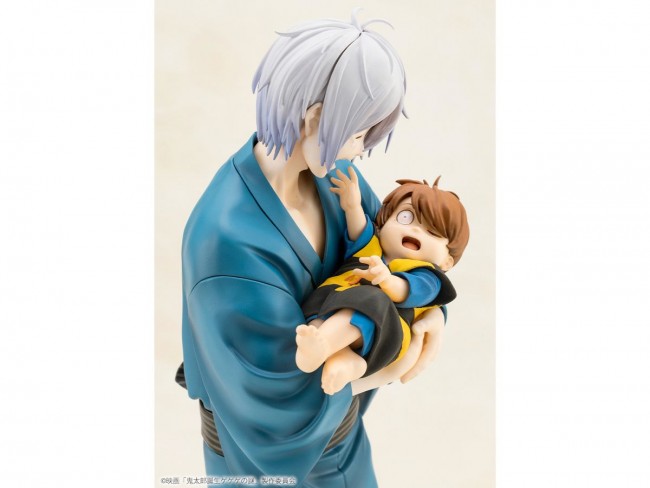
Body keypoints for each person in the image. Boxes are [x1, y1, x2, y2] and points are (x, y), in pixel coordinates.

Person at [176, 12, 446, 488]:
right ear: (316, 118)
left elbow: (398, 258)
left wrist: (431, 312)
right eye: (359, 134)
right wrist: (387, 367)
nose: (359, 151)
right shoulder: (226, 239)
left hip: (343, 443)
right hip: (258, 463)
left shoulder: (335, 178)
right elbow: (272, 393)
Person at [296, 171, 469, 395]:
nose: (415, 229)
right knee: (320, 323)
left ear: (447, 261)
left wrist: (387, 281)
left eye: (432, 231)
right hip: (329, 303)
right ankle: (344, 363)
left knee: (370, 301)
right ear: (383, 225)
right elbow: (359, 229)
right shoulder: (373, 247)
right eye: (405, 217)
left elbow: (406, 291)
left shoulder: (429, 277)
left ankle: (323, 345)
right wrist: (352, 206)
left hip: (385, 331)